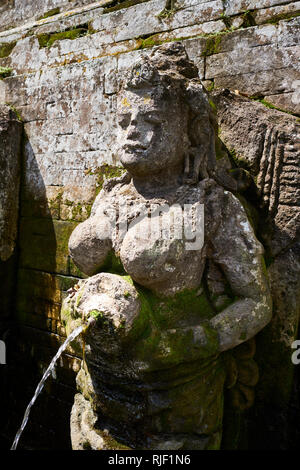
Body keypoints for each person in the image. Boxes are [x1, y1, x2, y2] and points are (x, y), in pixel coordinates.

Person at [63, 42, 272, 450]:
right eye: (124, 120)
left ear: (191, 131)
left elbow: (256, 302)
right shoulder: (108, 198)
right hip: (97, 387)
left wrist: (193, 342)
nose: (132, 132)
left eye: (152, 120)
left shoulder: (209, 205)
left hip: (175, 393)